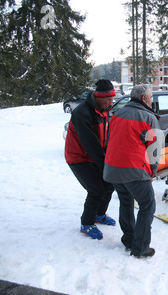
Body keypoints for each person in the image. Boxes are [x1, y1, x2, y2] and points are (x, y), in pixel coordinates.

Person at [103, 84, 161, 258]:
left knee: (126, 202)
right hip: (134, 169)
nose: (152, 100)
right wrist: (153, 171)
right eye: (151, 97)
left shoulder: (116, 114)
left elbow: (109, 140)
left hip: (113, 168)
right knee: (147, 205)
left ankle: (129, 240)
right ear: (144, 99)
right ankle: (141, 248)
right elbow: (154, 149)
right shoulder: (148, 117)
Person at [65, 79, 116, 240]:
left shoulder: (106, 109)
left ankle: (99, 214)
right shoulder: (82, 113)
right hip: (79, 157)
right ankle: (86, 223)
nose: (111, 102)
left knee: (109, 185)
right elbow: (90, 144)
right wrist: (105, 166)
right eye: (108, 99)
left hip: (97, 154)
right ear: (98, 97)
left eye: (112, 98)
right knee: (96, 190)